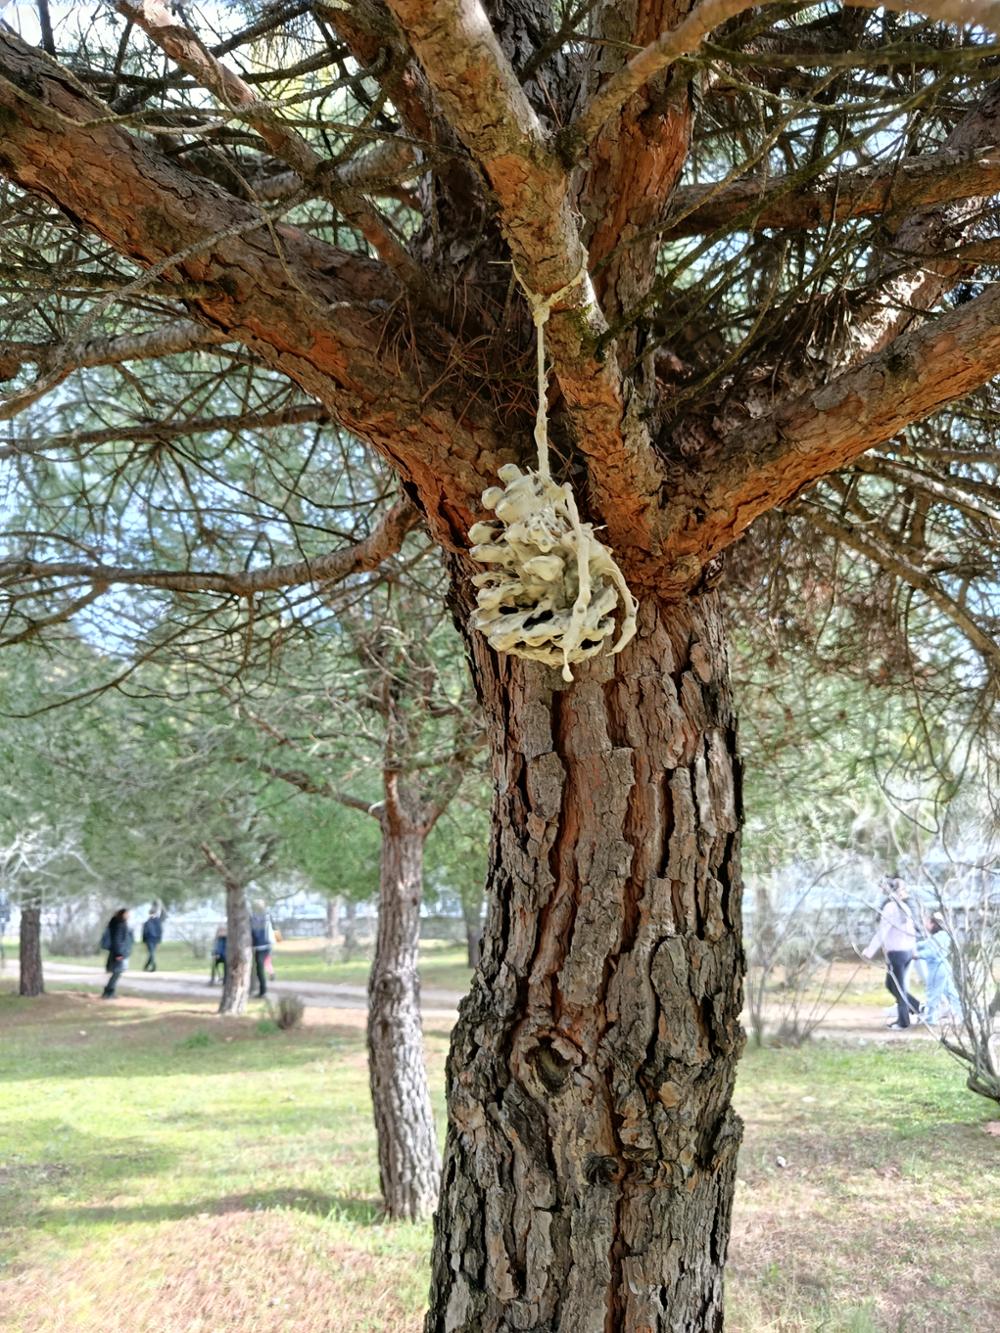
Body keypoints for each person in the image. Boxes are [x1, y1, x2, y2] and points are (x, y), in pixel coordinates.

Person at [863, 876, 920, 1029]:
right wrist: (913, 950)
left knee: (898, 987)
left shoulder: (890, 908)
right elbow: (911, 931)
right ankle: (917, 1006)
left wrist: (869, 951)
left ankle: (903, 1022)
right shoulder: (904, 907)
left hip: (897, 954)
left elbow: (882, 932)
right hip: (906, 953)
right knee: (891, 985)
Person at [916, 912, 963, 1025]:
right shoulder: (941, 936)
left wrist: (916, 955)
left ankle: (930, 1018)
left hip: (937, 969)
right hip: (943, 968)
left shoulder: (939, 937)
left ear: (933, 924)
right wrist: (913, 946)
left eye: (928, 923)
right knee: (952, 993)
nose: (926, 925)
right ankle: (962, 1015)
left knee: (933, 992)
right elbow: (925, 944)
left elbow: (931, 952)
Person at [101, 908, 133, 999]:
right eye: (127, 914)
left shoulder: (117, 924)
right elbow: (117, 940)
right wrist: (119, 954)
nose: (128, 916)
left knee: (117, 972)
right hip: (118, 952)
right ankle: (108, 992)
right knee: (117, 972)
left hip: (118, 952)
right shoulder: (120, 925)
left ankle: (110, 991)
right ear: (122, 914)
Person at [249, 901, 271, 998]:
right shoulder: (265, 917)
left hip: (261, 946)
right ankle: (260, 990)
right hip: (264, 946)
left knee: (259, 969)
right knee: (258, 969)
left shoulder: (256, 919)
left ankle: (263, 991)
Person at [141, 907, 163, 971]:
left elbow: (160, 931)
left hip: (155, 940)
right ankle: (154, 966)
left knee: (151, 953)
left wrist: (159, 941)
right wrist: (144, 941)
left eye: (153, 913)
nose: (151, 914)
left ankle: (146, 967)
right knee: (151, 953)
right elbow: (144, 932)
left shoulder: (158, 921)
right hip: (149, 940)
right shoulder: (147, 922)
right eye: (151, 913)